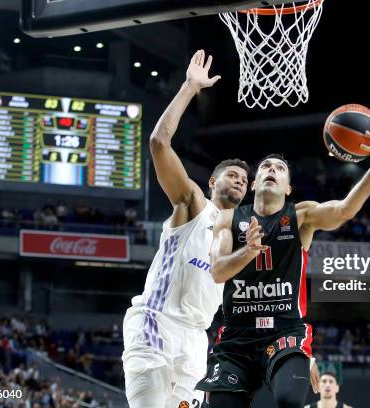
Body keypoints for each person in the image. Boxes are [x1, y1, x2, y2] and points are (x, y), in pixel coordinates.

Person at [197, 116, 370, 408]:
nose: (272, 170)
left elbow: (344, 210)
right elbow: (218, 272)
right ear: (253, 183)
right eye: (265, 167)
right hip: (237, 335)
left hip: (285, 332)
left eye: (280, 169)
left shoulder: (302, 216)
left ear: (288, 188)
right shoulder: (228, 219)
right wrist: (247, 251)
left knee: (289, 400)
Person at [122, 50, 250, 408]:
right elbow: (158, 144)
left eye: (244, 179)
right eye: (233, 175)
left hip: (196, 341)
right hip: (155, 323)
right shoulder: (193, 203)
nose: (240, 180)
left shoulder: (242, 237)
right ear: (212, 181)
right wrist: (190, 88)